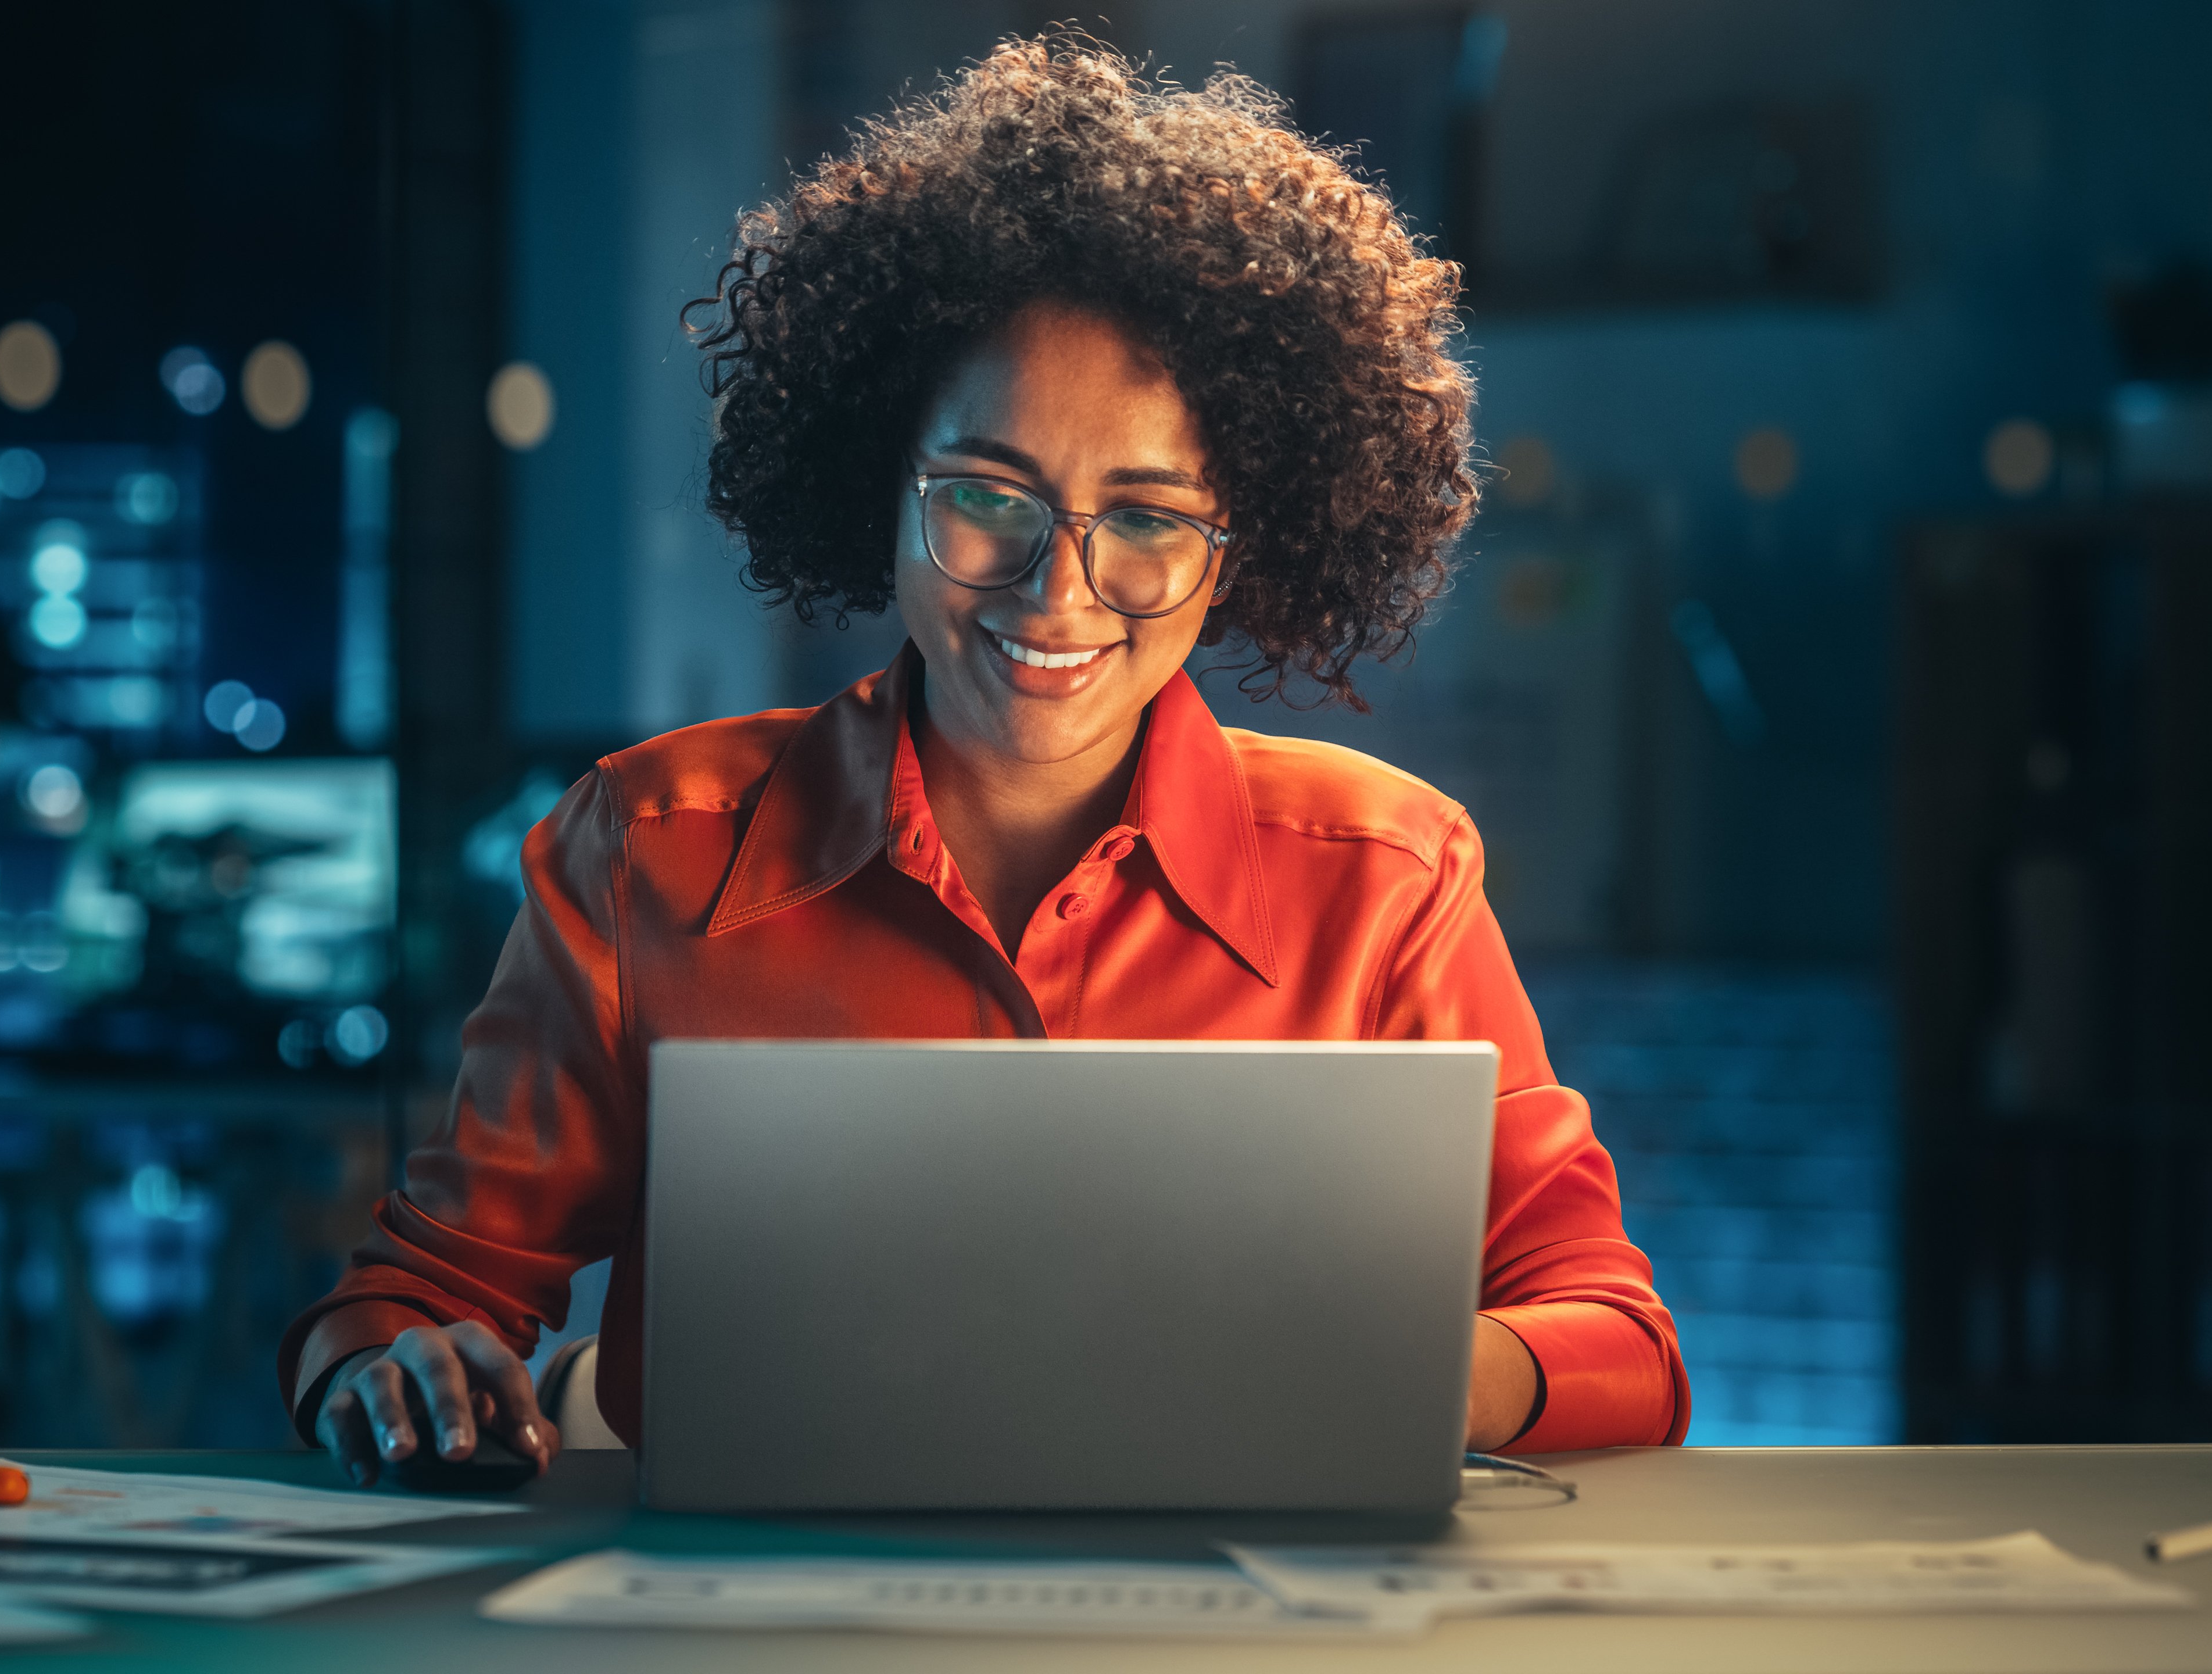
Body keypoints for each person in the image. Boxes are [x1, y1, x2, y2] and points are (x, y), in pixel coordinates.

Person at [281, 34, 1688, 1487]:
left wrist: (1425, 1377)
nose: (1055, 591)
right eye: (983, 497)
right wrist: (402, 1370)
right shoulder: (649, 849)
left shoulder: (1388, 878)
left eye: (1145, 519)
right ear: (879, 491)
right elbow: (410, 1302)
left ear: (1237, 550)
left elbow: (1620, 1340)